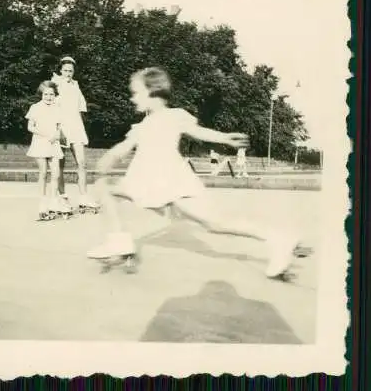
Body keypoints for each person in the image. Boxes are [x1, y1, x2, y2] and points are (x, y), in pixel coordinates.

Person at [87, 67, 300, 280]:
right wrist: (109, 157)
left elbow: (199, 132)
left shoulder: (174, 116)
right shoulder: (143, 125)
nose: (132, 98)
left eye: (136, 92)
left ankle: (278, 239)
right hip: (148, 182)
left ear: (152, 91)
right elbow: (125, 146)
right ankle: (119, 242)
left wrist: (224, 138)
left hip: (172, 184)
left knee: (216, 224)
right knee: (104, 187)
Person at [51, 56, 99, 211]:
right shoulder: (55, 84)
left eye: (70, 71)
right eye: (65, 70)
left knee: (82, 163)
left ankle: (84, 197)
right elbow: (51, 108)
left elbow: (80, 109)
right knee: (60, 164)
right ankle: (62, 197)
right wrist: (57, 129)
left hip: (76, 127)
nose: (68, 73)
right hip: (61, 128)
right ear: (60, 70)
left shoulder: (76, 86)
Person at [25, 81, 70, 220]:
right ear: (41, 95)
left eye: (51, 94)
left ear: (55, 95)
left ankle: (53, 202)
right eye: (46, 94)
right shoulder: (35, 107)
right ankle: (42, 203)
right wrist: (45, 134)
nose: (49, 97)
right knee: (43, 173)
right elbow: (30, 127)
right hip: (40, 142)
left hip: (53, 143)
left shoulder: (58, 108)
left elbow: (59, 127)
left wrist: (57, 135)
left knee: (55, 174)